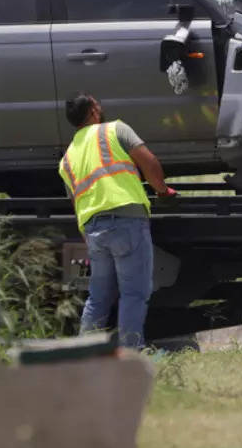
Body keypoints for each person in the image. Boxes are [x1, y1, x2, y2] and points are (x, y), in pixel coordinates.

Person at [59, 93, 175, 347]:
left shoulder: (66, 159)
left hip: (93, 231)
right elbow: (149, 163)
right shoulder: (115, 130)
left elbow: (77, 204)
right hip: (126, 220)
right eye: (96, 103)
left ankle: (86, 353)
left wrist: (88, 240)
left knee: (98, 297)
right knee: (133, 293)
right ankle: (131, 353)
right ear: (92, 111)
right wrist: (162, 191)